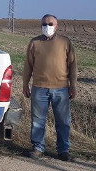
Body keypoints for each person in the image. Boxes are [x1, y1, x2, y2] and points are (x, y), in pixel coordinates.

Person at [22, 14, 77, 161]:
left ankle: (63, 150)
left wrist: (73, 86)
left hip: (61, 89)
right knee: (38, 121)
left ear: (57, 26)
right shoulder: (34, 43)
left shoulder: (65, 43)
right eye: (44, 24)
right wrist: (25, 84)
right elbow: (28, 65)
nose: (47, 27)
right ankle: (38, 148)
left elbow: (72, 65)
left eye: (50, 24)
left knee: (63, 121)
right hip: (39, 88)